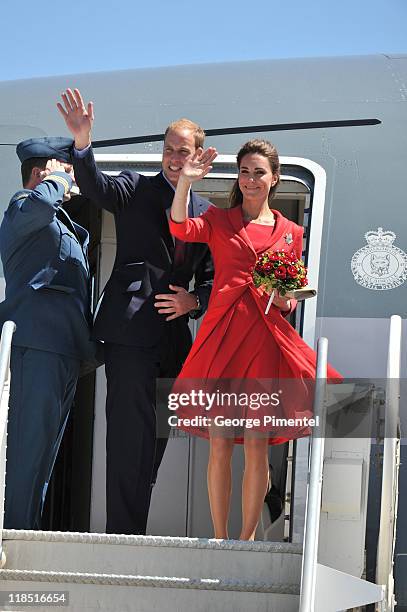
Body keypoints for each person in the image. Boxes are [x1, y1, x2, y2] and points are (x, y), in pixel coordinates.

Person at [57, 88, 214, 535]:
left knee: (156, 443)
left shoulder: (206, 212)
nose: (172, 157)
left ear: (197, 156)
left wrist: (193, 301)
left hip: (174, 341)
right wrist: (84, 145)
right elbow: (95, 187)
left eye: (182, 151)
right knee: (129, 437)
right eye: (168, 149)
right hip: (129, 332)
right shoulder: (135, 186)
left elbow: (214, 274)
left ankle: (132, 530)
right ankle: (123, 538)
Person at [169, 139, 342, 540]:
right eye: (244, 171)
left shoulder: (291, 233)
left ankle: (246, 540)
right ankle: (219, 537)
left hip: (264, 342)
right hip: (222, 340)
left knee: (257, 446)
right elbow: (179, 224)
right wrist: (185, 183)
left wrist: (283, 297)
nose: (250, 179)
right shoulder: (218, 220)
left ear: (274, 178)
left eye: (258, 172)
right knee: (220, 444)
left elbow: (288, 303)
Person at [0, 137, 96, 529]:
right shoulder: (25, 206)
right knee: (26, 450)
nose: (72, 182)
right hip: (36, 347)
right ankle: (11, 534)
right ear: (43, 173)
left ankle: (25, 532)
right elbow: (39, 204)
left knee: (42, 456)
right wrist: (54, 182)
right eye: (67, 172)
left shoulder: (64, 224)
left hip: (63, 350)